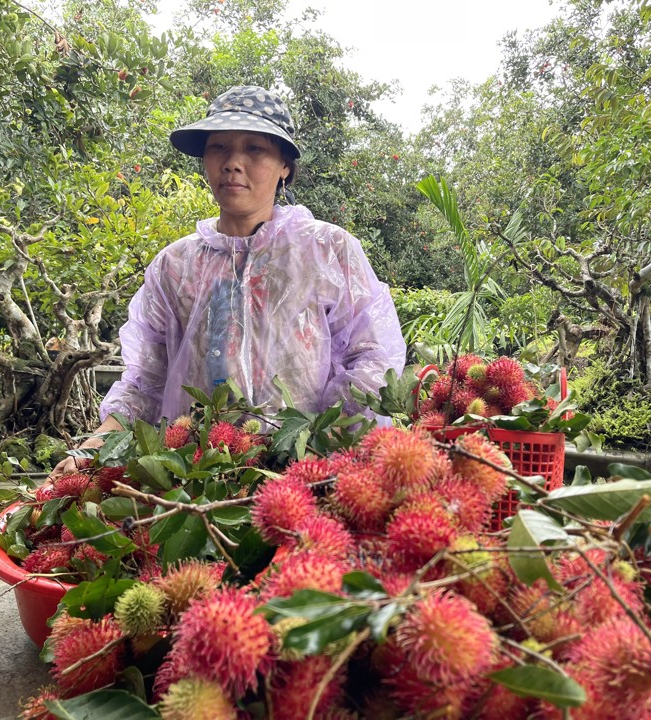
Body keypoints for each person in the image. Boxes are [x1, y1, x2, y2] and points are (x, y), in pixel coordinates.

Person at [51, 85, 406, 476]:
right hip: (194, 475)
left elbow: (371, 360)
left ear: (285, 164)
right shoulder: (175, 265)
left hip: (306, 474)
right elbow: (146, 381)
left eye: (254, 148)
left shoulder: (328, 250)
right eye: (219, 147)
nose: (233, 163)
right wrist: (93, 448)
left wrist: (320, 443)